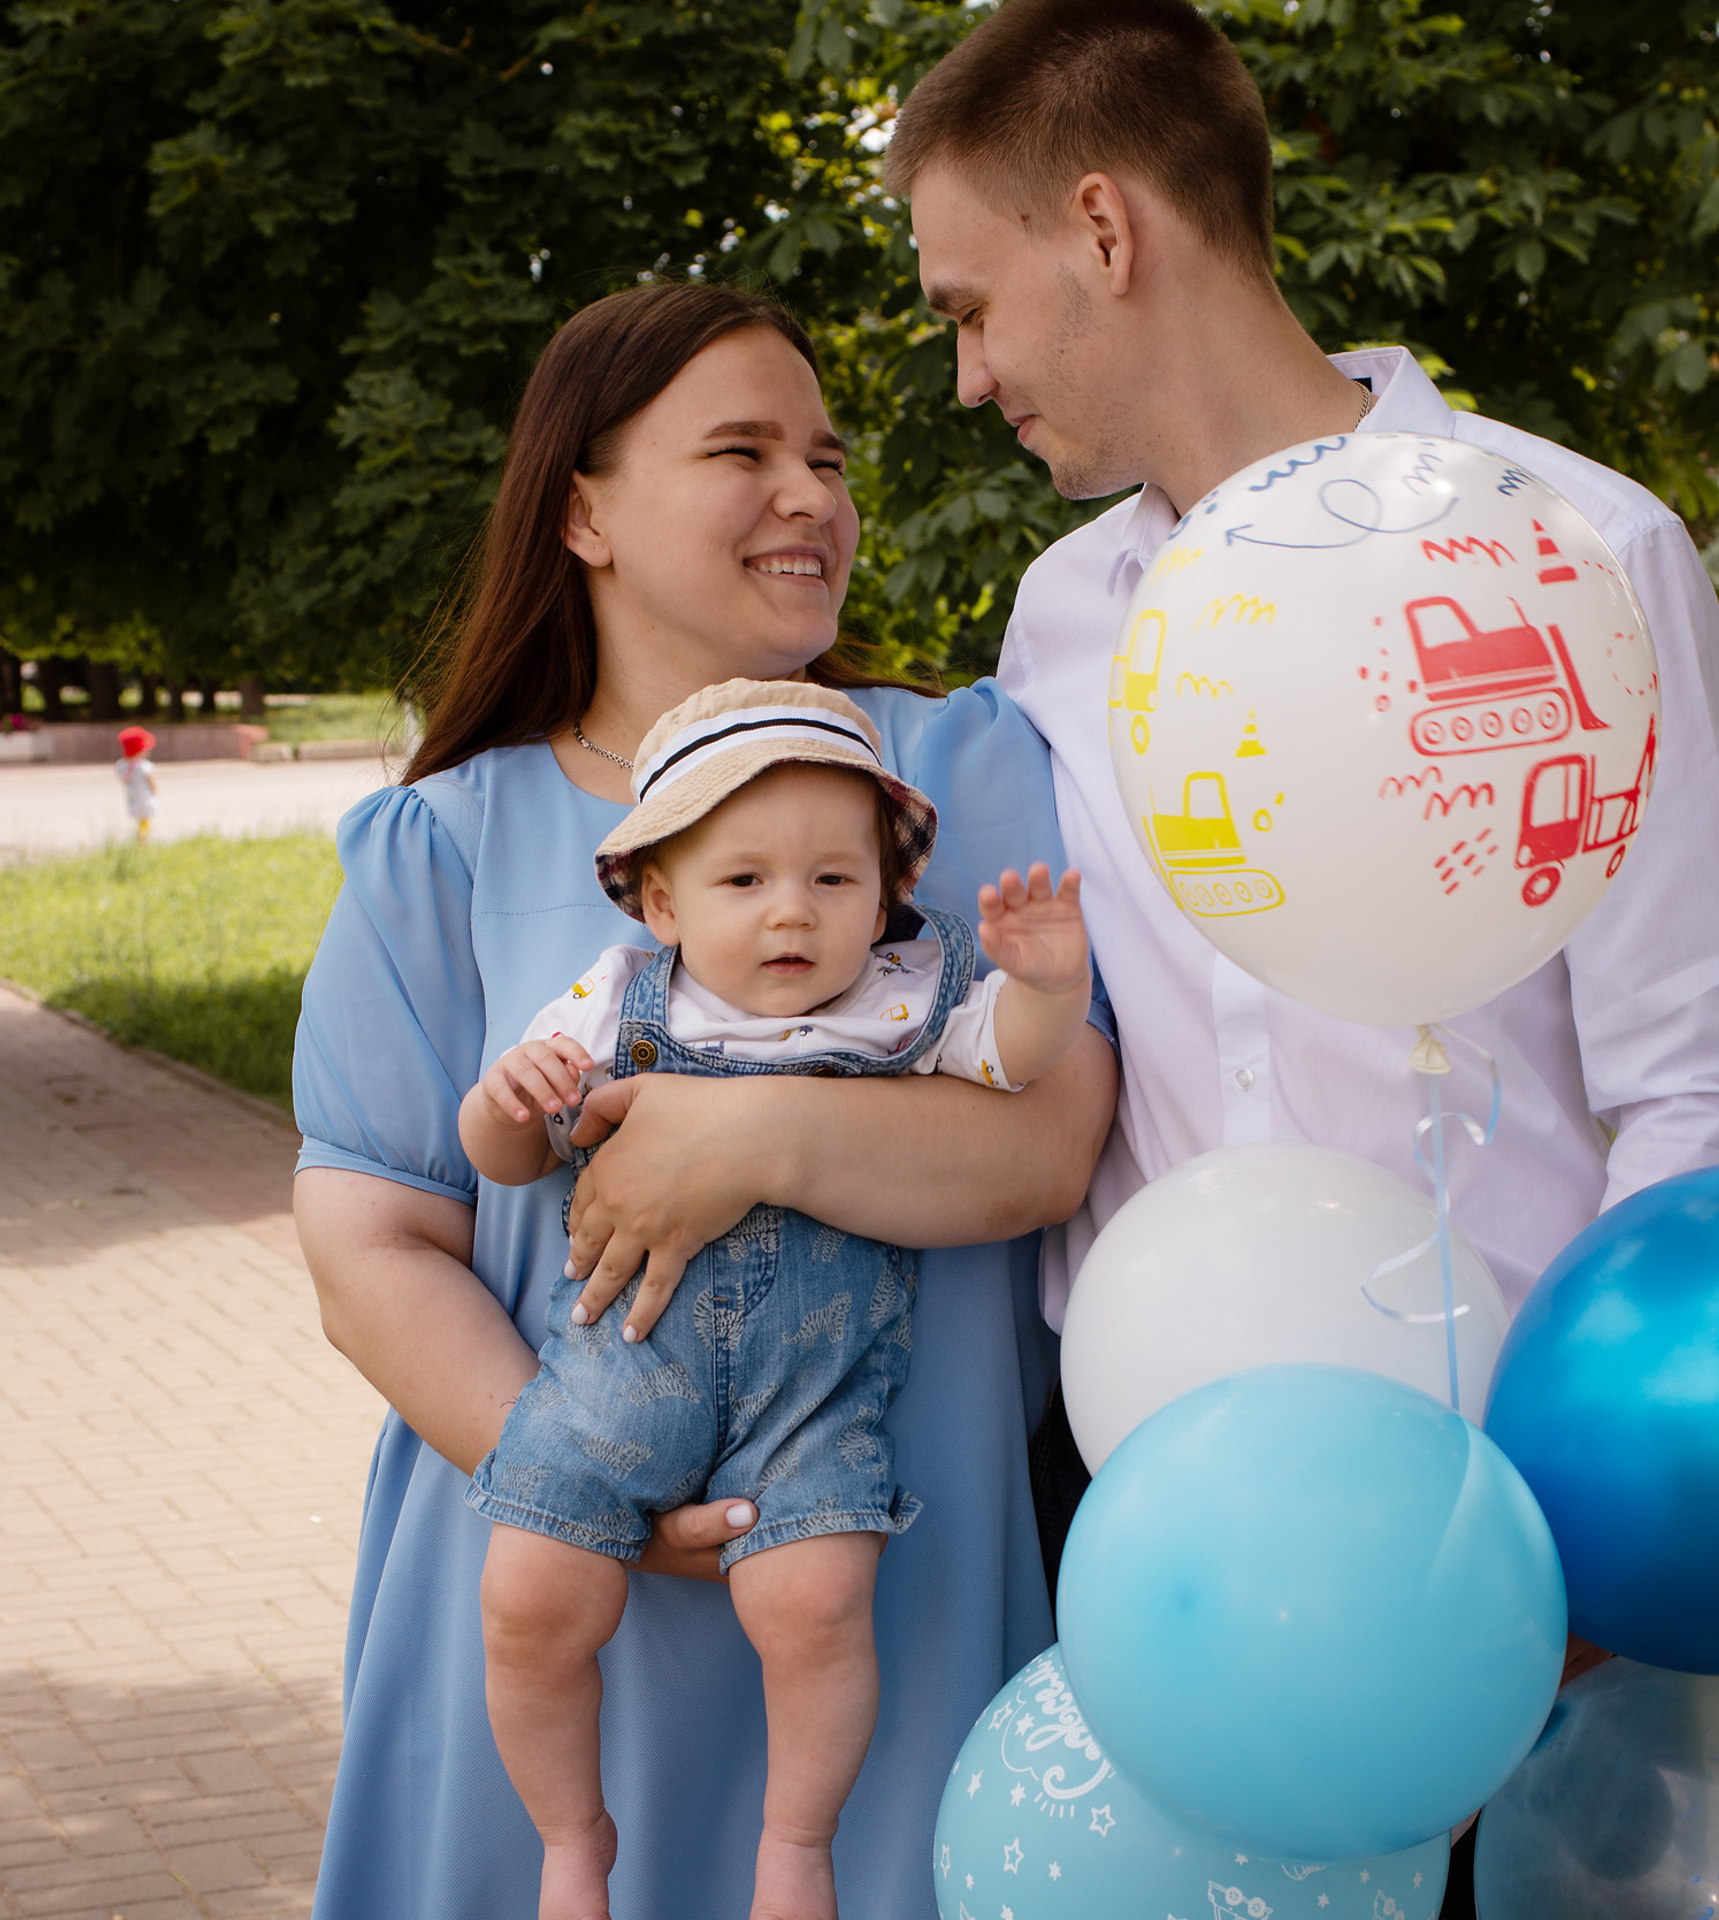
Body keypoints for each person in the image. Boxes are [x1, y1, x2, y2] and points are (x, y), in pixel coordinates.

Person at [884, 0, 1719, 1906]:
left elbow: (1696, 1092)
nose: (967, 377)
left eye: (971, 306)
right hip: (1161, 1533)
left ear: (1106, 231)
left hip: (1498, 1528)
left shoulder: (1575, 557)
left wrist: (1582, 1540)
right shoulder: (1062, 621)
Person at [290, 282, 1117, 1918]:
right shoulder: (443, 843)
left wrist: (744, 1140)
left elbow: (1047, 1143)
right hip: (551, 1564)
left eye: (827, 453)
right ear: (582, 510)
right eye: (742, 450)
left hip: (894, 1554)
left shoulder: (958, 770)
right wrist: (578, 1482)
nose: (812, 495)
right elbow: (369, 1236)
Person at [461, 676, 1092, 1920]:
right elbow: (509, 1157)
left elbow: (1015, 1067)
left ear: (885, 891)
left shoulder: (902, 999)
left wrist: (1047, 986)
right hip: (618, 1365)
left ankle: (797, 1847)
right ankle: (570, 1838)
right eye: (742, 882)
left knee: (813, 1603)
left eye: (833, 880)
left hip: (818, 1387)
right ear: (661, 899)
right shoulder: (615, 1000)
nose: (791, 913)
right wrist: (508, 1097)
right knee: (531, 1599)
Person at [115, 724, 157, 842]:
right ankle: (143, 838)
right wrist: (155, 790)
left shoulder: (122, 765)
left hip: (132, 795)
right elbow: (151, 781)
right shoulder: (144, 766)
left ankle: (140, 835)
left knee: (140, 818)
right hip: (144, 795)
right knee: (145, 819)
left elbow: (122, 779)